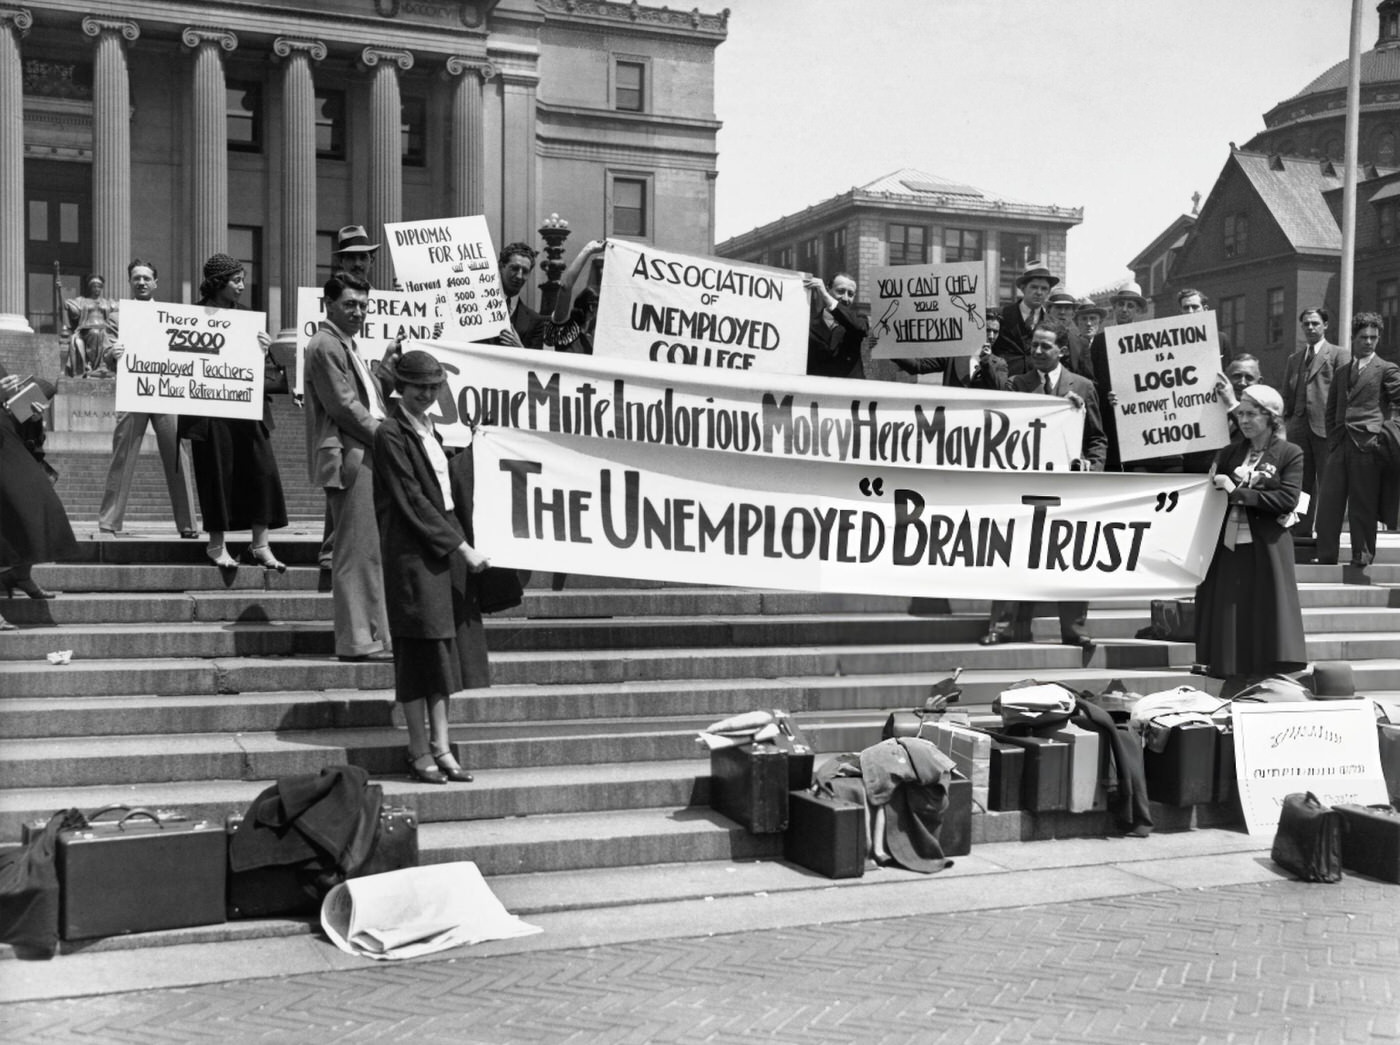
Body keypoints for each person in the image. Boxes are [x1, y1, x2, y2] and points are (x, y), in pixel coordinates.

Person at [373, 350, 490, 785]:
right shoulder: (390, 433)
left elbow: (444, 485)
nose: (427, 394)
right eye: (419, 386)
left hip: (439, 550)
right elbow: (412, 500)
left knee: (440, 651)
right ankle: (418, 749)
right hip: (413, 555)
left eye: (434, 386)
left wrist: (478, 448)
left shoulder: (430, 429)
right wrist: (461, 548)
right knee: (416, 652)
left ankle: (442, 746)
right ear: (400, 387)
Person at [980, 321, 1106, 649]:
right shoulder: (1016, 386)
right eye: (1034, 345)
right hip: (1025, 488)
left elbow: (1097, 439)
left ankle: (1075, 629)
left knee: (1071, 557)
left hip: (1069, 490)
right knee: (1013, 553)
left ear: (1061, 350)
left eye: (1044, 346)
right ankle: (1002, 625)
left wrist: (1091, 466)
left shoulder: (1082, 386)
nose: (1036, 351)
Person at [1194, 383, 1307, 697]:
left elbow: (1287, 498)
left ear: (1270, 417)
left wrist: (1238, 492)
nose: (1243, 420)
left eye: (1251, 414)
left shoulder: (1289, 453)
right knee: (1231, 608)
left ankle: (1265, 673)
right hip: (1229, 543)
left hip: (1267, 545)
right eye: (1240, 413)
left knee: (1264, 608)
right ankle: (1234, 672)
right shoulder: (1230, 451)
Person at [304, 273, 393, 662]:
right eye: (350, 304)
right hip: (351, 453)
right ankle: (358, 641)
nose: (359, 312)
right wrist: (390, 440)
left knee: (367, 549)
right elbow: (344, 406)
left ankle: (372, 635)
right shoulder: (325, 344)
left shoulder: (345, 345)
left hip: (361, 450)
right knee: (356, 551)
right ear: (329, 304)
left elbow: (366, 397)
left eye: (363, 305)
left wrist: (386, 370)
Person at [179, 253, 288, 571]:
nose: (242, 285)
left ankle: (260, 544)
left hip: (247, 407)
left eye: (242, 278)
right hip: (209, 410)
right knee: (215, 473)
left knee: (262, 470)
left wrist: (264, 348)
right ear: (218, 283)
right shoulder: (190, 316)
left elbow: (258, 366)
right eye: (236, 280)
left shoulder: (248, 319)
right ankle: (217, 545)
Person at [96, 260, 199, 538]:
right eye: (136, 278)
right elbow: (105, 352)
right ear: (130, 282)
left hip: (166, 392)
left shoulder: (170, 315)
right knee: (123, 453)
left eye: (146, 278)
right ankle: (109, 521)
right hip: (133, 392)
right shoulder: (118, 317)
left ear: (155, 282)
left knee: (178, 455)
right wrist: (112, 353)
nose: (141, 282)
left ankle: (189, 524)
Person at [1315, 312, 1400, 568]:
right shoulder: (1342, 371)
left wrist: (1385, 432)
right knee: (1329, 502)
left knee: (1362, 503)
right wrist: (1333, 439)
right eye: (1363, 337)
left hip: (1369, 444)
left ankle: (1361, 555)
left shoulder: (1386, 369)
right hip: (1341, 443)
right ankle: (1326, 554)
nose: (1369, 342)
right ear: (1354, 338)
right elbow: (1331, 410)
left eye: (1374, 337)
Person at [0, 364, 78, 628]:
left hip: (7, 439)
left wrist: (30, 415)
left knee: (39, 507)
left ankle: (21, 575)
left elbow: (8, 409)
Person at [1090, 281, 1182, 473]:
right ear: (1114, 307)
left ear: (1138, 310)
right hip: (1109, 417)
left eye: (1130, 305)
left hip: (1138, 418)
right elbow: (1094, 380)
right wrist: (1105, 395)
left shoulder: (1147, 341)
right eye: (1121, 305)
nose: (1124, 310)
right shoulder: (1100, 341)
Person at [1281, 307, 1348, 540]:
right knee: (1301, 485)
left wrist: (1339, 427)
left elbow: (1344, 394)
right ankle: (1301, 532)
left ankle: (1328, 534)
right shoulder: (1294, 359)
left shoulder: (1339, 355)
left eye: (1315, 323)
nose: (1310, 327)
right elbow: (1286, 395)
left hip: (1326, 430)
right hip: (1298, 430)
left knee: (1329, 484)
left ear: (1325, 325)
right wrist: (1288, 422)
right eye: (1306, 324)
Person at [891, 308, 1010, 389]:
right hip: (954, 419)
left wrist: (986, 359)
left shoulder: (999, 363)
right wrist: (887, 350)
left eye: (995, 332)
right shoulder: (954, 355)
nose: (991, 335)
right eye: (987, 330)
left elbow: (999, 388)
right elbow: (918, 366)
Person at [990, 262, 1057, 379]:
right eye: (1034, 287)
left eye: (1044, 288)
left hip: (1037, 387)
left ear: (1048, 292)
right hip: (1003, 385)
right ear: (1022, 288)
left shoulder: (1053, 324)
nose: (1039, 292)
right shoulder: (1000, 315)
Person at [542, 239, 605, 353]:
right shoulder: (565, 329)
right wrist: (588, 250)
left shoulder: (591, 340)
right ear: (592, 308)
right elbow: (566, 287)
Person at [804, 273, 867, 379]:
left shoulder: (859, 320)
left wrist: (825, 296)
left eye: (850, 294)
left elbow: (858, 328)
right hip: (819, 390)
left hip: (853, 390)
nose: (846, 298)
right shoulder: (808, 325)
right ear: (828, 289)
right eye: (841, 291)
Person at [61, 274, 117, 378]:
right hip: (87, 329)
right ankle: (94, 367)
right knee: (95, 333)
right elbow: (74, 313)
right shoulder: (82, 301)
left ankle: (103, 366)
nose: (97, 288)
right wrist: (64, 298)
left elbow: (118, 310)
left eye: (99, 286)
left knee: (104, 334)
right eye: (94, 286)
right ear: (90, 287)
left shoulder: (107, 302)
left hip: (104, 329)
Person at [496, 242, 544, 349]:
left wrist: (520, 348)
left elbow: (535, 364)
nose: (519, 276)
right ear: (501, 267)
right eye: (514, 268)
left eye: (525, 271)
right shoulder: (477, 309)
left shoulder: (536, 321)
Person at [1046, 288, 1091, 376]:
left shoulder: (1082, 343)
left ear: (1073, 314)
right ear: (1048, 311)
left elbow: (1089, 378)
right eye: (1058, 307)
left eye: (1067, 308)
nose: (1062, 312)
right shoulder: (1036, 338)